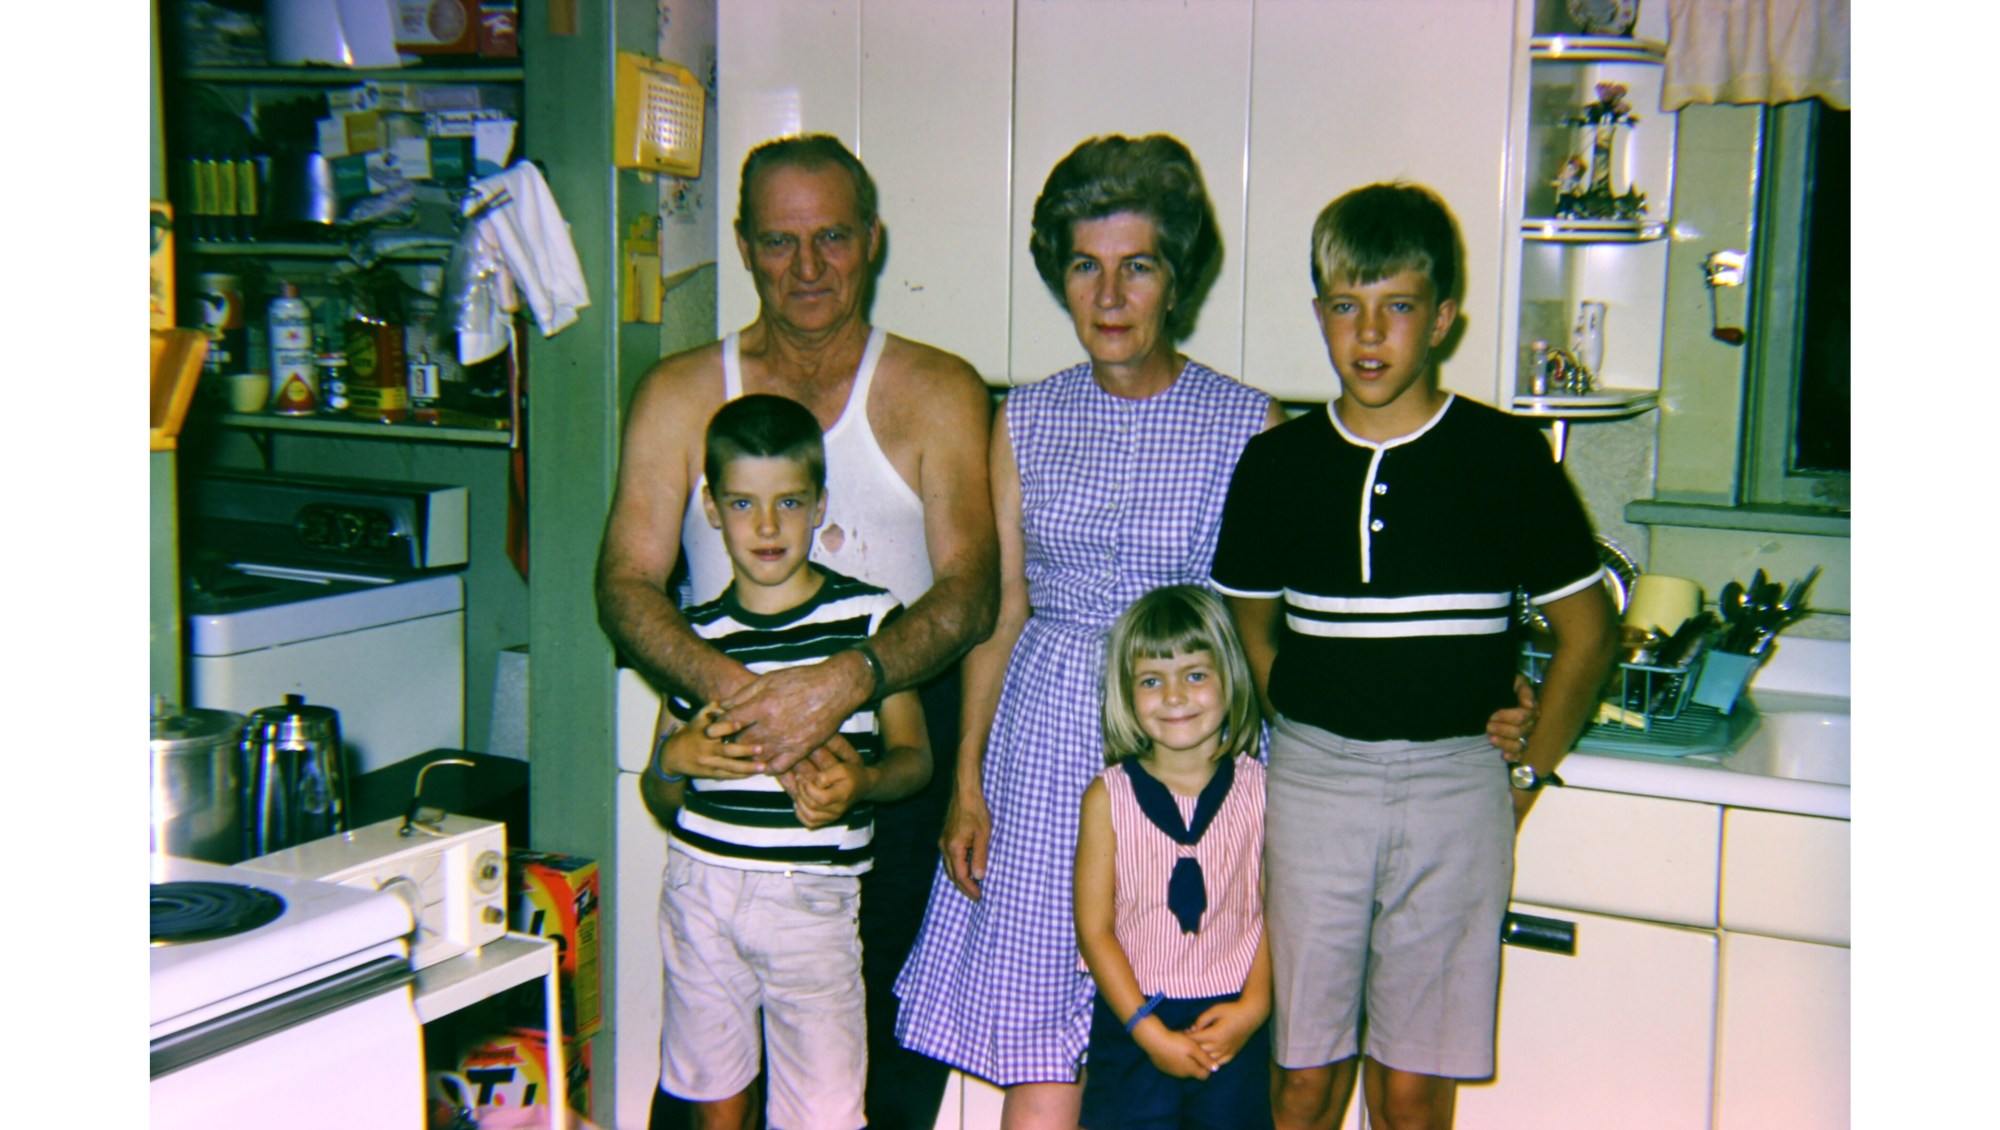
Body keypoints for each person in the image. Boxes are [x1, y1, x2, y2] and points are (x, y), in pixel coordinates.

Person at [596, 134, 998, 1130]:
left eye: (832, 238)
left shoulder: (937, 389)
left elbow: (970, 594)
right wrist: (743, 700)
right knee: (707, 1089)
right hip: (727, 783)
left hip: (883, 776)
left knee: (865, 1090)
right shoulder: (678, 393)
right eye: (779, 242)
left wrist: (841, 684)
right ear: (742, 246)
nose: (808, 267)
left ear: (872, 240)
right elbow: (625, 583)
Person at [890, 133, 1282, 1129]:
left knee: (1181, 1047)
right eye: (1083, 267)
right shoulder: (1023, 416)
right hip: (1043, 753)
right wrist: (968, 779)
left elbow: (1263, 632)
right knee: (1042, 1049)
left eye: (1136, 266)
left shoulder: (1248, 423)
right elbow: (1003, 608)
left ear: (1176, 279)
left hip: (1185, 750)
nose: (1108, 296)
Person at [1209, 182, 1620, 1130]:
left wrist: (1526, 769)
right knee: (1304, 1077)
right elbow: (1252, 628)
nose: (1368, 334)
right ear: (1319, 314)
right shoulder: (1277, 465)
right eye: (1344, 306)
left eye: (1396, 306)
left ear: (1441, 320)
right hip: (1314, 785)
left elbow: (1589, 632)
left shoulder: (1506, 457)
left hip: (1455, 786)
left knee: (1410, 1090)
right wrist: (1308, 724)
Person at [642, 394, 933, 1130]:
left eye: (789, 503)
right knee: (715, 1100)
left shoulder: (869, 620)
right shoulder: (694, 638)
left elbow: (915, 761)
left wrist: (863, 783)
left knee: (824, 1112)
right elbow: (659, 790)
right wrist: (677, 757)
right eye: (744, 503)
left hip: (811, 902)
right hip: (701, 890)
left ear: (819, 505)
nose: (767, 526)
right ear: (712, 509)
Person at [1073, 585, 1273, 1130]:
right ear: (1126, 692)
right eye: (1151, 681)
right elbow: (1094, 930)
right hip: (1135, 1023)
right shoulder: (1107, 798)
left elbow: (1277, 914)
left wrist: (1253, 1010)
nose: (1175, 696)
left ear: (1230, 678)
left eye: (1196, 674)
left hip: (1232, 1021)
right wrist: (1148, 1031)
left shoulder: (1261, 790)